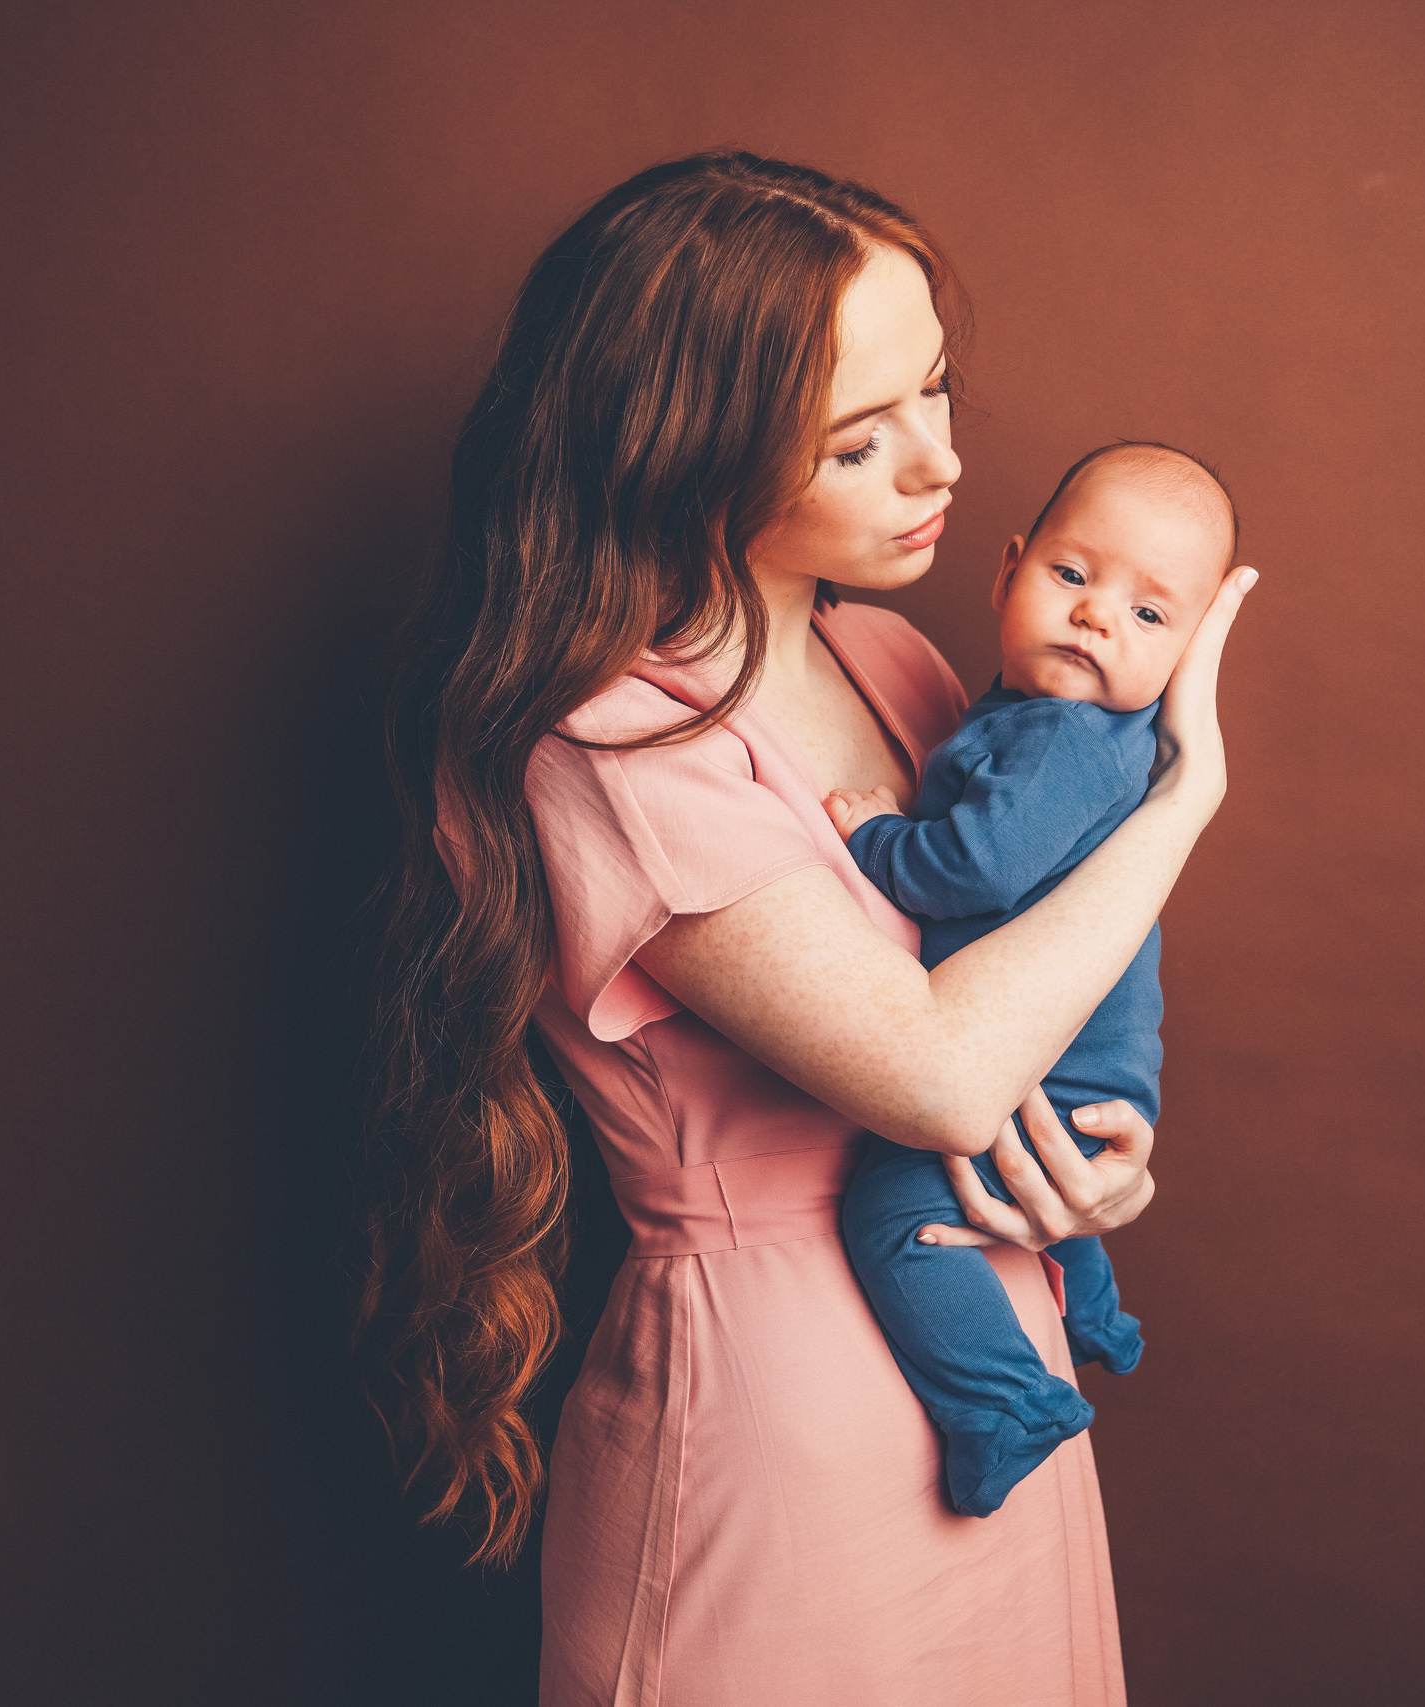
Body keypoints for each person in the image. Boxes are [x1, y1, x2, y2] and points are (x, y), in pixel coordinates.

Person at [359, 151, 1256, 1706]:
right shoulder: (608, 738)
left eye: (937, 388)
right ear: (689, 450)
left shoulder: (899, 662)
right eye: (859, 437)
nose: (942, 462)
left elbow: (1029, 990)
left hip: (1000, 1344)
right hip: (784, 1431)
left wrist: (1089, 1166)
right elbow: (937, 1073)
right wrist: (1183, 795)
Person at [827, 441, 1242, 1520]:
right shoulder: (1039, 718)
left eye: (1149, 614)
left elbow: (975, 866)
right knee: (1041, 1191)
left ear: (1189, 654)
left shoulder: (1062, 738)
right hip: (1079, 1067)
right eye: (1072, 575)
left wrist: (876, 837)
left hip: (1044, 1072)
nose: (1097, 616)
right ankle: (1092, 1312)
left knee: (892, 1214)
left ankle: (1008, 1404)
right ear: (1008, 571)